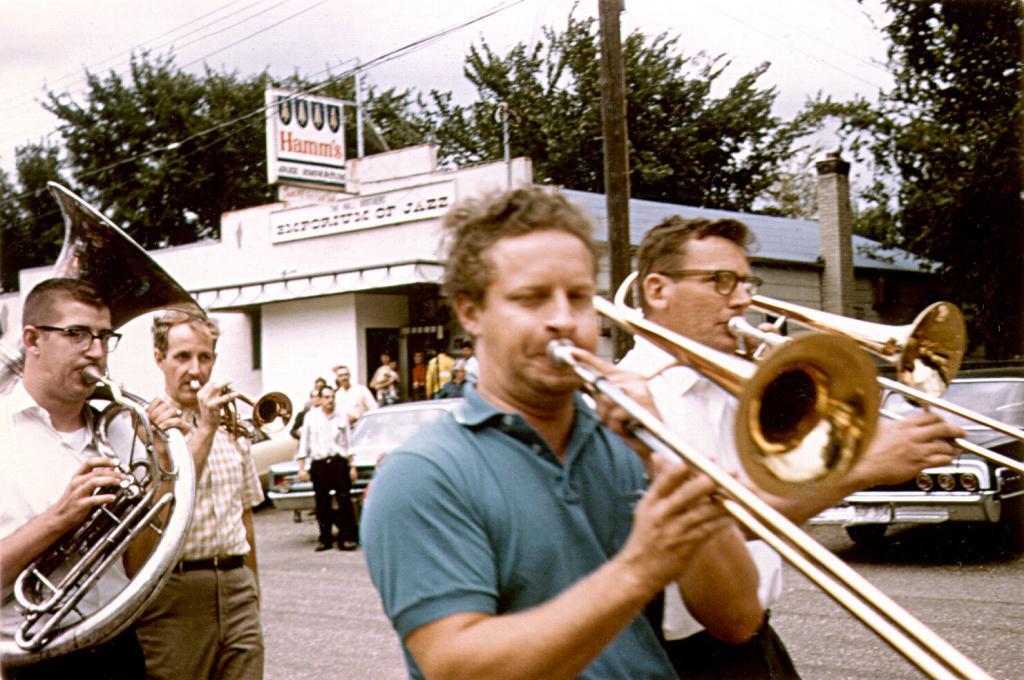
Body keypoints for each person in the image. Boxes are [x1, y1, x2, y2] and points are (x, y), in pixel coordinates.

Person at [362, 186, 765, 679]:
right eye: (532, 299)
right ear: (471, 312)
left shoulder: (626, 442)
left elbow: (738, 618)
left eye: (577, 297)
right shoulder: (423, 473)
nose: (563, 320)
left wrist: (664, 450)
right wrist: (640, 567)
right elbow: (457, 667)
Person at [619, 215, 965, 678]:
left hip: (756, 634)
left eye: (745, 281)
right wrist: (860, 468)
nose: (743, 299)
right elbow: (715, 519)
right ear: (658, 291)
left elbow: (789, 474)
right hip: (682, 657)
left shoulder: (736, 377)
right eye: (721, 281)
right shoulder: (631, 397)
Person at [0, 278, 146, 680]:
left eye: (104, 337)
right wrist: (59, 518)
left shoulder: (122, 431)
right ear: (32, 339)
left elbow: (144, 563)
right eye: (78, 334)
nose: (96, 353)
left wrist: (166, 464)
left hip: (118, 648)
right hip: (33, 660)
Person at [133, 310, 264, 680]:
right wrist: (205, 427)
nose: (195, 369)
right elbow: (171, 502)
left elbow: (245, 516)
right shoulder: (146, 428)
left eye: (204, 357)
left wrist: (253, 594)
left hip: (236, 584)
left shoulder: (232, 426)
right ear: (159, 359)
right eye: (182, 357)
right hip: (176, 591)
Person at [295, 385, 358, 551]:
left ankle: (346, 538)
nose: (330, 400)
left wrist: (353, 466)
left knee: (344, 501)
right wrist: (302, 468)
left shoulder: (341, 416)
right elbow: (304, 444)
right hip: (320, 464)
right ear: (320, 399)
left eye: (332, 397)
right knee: (322, 503)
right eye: (327, 397)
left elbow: (349, 443)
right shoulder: (310, 417)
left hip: (338, 463)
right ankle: (325, 539)